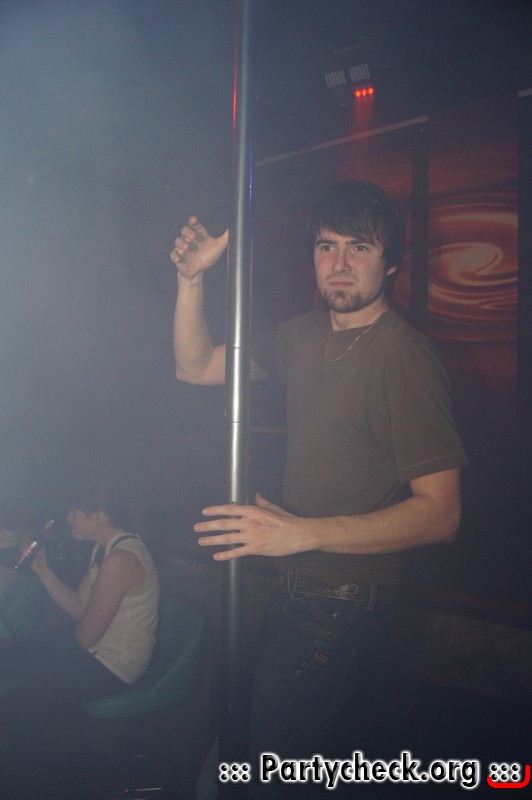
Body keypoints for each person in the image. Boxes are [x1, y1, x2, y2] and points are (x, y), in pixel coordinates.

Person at [171, 179, 467, 797]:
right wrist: (191, 281)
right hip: (296, 589)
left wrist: (300, 533)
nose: (339, 263)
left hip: (344, 601)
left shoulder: (404, 356)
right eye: (327, 245)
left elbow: (441, 514)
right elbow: (194, 366)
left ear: (390, 262)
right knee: (256, 767)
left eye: (360, 247)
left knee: (233, 780)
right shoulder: (300, 336)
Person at [0, 479, 160, 799]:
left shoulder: (120, 559)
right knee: (10, 654)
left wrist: (45, 657)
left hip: (112, 664)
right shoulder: (105, 549)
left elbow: (84, 637)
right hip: (91, 648)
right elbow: (78, 610)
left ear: (100, 515)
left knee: (17, 714)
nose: (68, 517)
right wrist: (44, 572)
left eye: (76, 510)